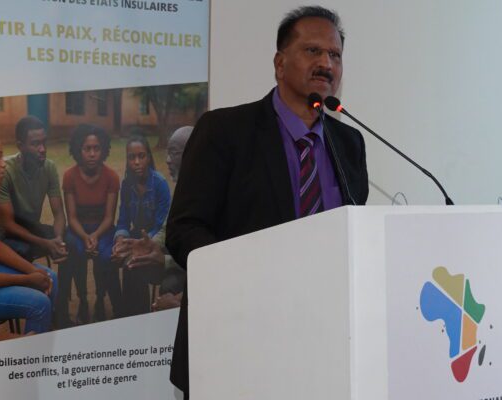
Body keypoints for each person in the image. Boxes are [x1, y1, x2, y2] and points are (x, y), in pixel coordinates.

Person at [165, 6, 369, 398]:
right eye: (312, 51)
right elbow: (184, 230)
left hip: (323, 347)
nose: (326, 64)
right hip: (236, 341)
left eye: (335, 55)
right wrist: (248, 279)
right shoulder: (224, 131)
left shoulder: (349, 144)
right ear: (279, 63)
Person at [0, 125, 58, 336]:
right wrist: (26, 279)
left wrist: (33, 270)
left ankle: (45, 339)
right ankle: (32, 354)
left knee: (49, 275)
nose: (3, 163)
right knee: (39, 303)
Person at [60, 124, 122, 324]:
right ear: (78, 150)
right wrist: (85, 237)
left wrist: (95, 235)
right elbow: (72, 217)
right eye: (87, 148)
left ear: (103, 149)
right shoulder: (70, 176)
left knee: (105, 255)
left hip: (103, 229)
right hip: (78, 229)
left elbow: (109, 217)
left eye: (96, 148)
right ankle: (83, 300)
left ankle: (101, 299)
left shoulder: (111, 177)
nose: (92, 154)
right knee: (75, 250)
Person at [0, 116, 68, 264]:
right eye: (35, 144)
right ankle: (30, 278)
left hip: (31, 226)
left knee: (69, 238)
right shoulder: (4, 171)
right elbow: (7, 224)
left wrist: (59, 239)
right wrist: (45, 243)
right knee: (24, 250)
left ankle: (62, 280)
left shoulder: (49, 167)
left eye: (44, 142)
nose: (43, 149)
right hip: (5, 232)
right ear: (20, 146)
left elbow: (58, 213)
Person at [112, 132, 172, 317]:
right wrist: (121, 240)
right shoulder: (126, 185)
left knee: (135, 263)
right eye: (132, 157)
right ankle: (127, 314)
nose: (136, 162)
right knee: (120, 259)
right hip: (135, 236)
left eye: (141, 156)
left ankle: (142, 315)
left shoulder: (160, 184)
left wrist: (143, 244)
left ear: (148, 157)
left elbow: (161, 226)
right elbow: (123, 220)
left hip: (157, 240)